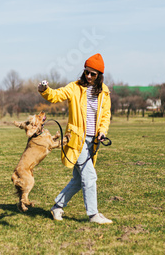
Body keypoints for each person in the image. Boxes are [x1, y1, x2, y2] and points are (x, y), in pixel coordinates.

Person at [37, 53, 112, 224]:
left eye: (93, 74)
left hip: (93, 142)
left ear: (99, 75)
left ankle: (57, 206)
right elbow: (56, 95)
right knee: (90, 177)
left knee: (79, 180)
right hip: (76, 140)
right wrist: (45, 90)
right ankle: (93, 215)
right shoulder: (75, 87)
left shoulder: (105, 92)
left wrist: (102, 131)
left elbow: (105, 115)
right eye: (87, 72)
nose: (89, 76)